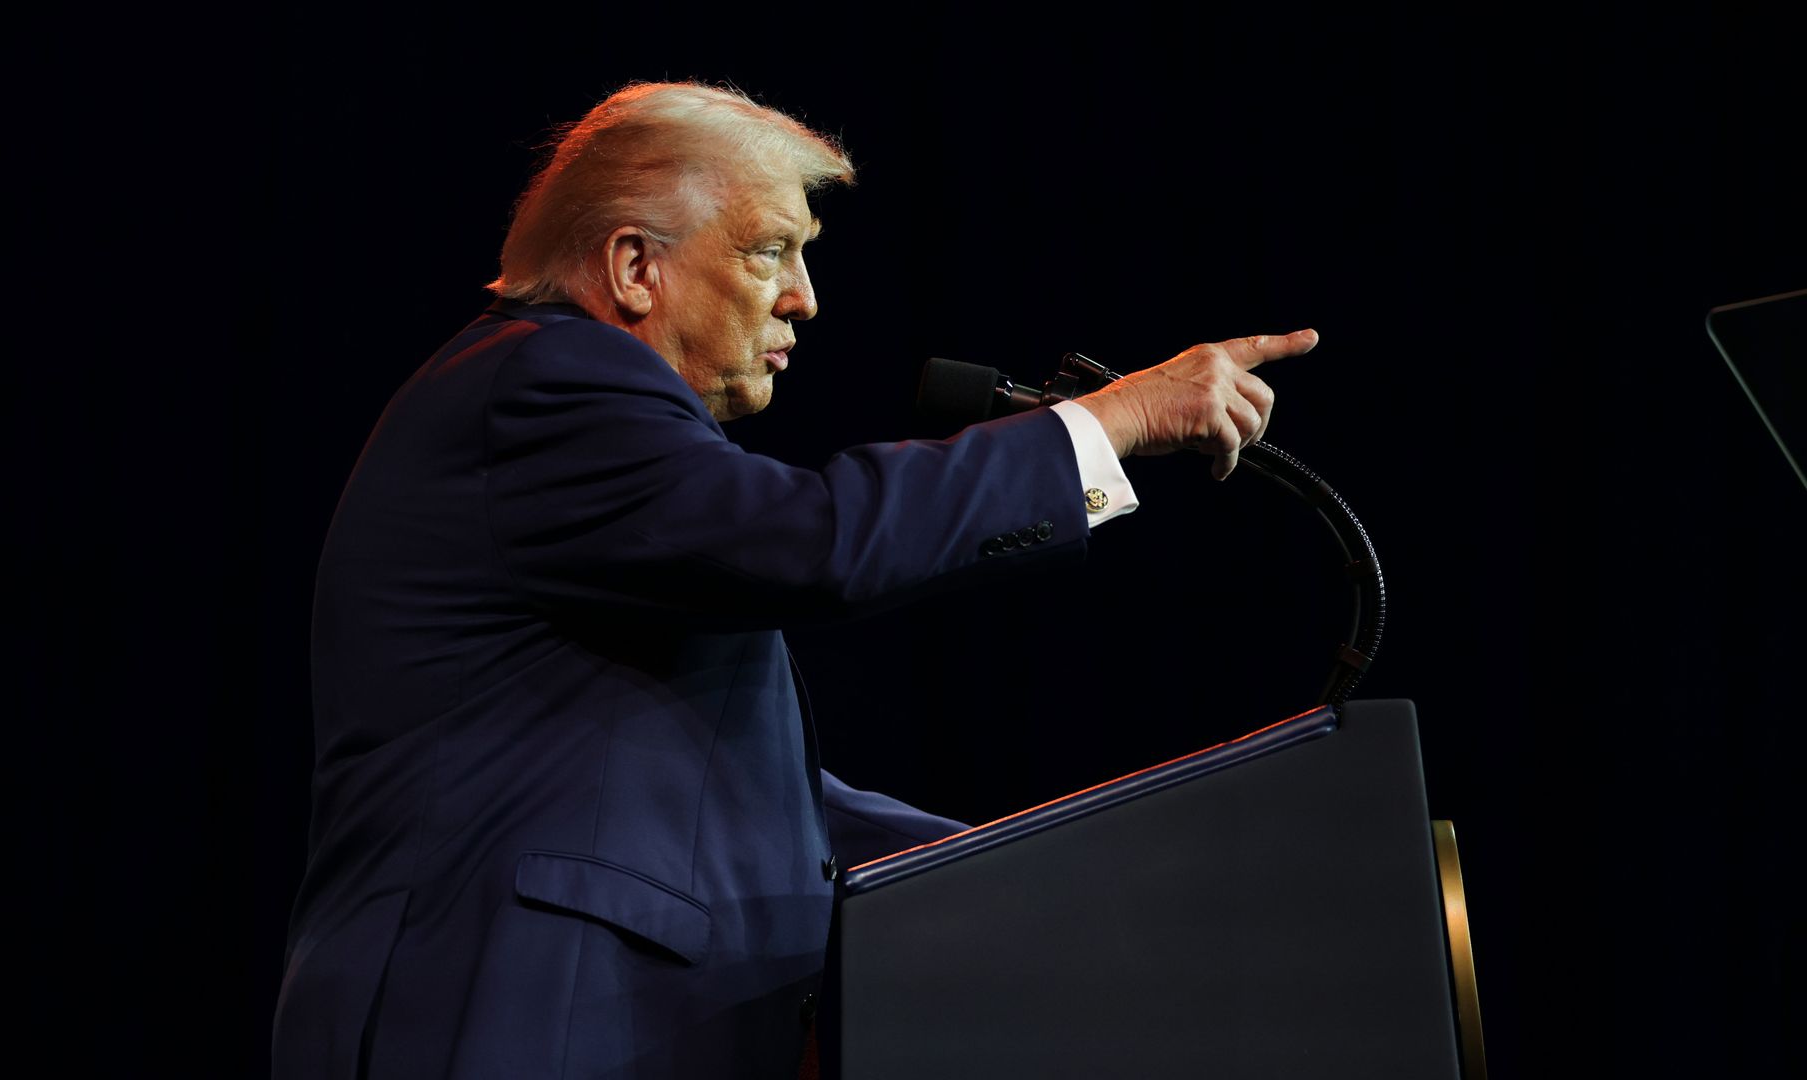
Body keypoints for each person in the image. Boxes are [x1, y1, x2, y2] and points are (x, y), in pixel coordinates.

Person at [271, 82, 1316, 1079]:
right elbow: (815, 540)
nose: (805, 300)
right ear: (636, 267)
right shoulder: (547, 381)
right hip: (513, 1014)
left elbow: (747, 808)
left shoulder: (587, 465)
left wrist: (1056, 871)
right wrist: (1112, 421)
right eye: (772, 251)